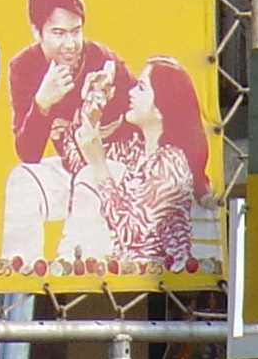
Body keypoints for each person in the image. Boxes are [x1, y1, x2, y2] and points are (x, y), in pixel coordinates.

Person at [0, 0, 131, 268]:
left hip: (112, 173)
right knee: (22, 179)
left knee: (87, 178)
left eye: (76, 31)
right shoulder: (23, 67)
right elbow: (28, 154)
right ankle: (19, 272)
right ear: (37, 31)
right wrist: (42, 104)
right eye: (59, 33)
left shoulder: (102, 59)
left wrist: (105, 114)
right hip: (71, 168)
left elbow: (143, 122)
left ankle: (73, 270)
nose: (71, 43)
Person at [70, 56, 211, 269]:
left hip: (157, 285)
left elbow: (133, 233)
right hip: (119, 277)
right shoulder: (135, 151)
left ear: (162, 107)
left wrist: (99, 163)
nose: (131, 93)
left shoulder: (172, 164)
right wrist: (91, 109)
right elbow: (78, 160)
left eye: (141, 88)